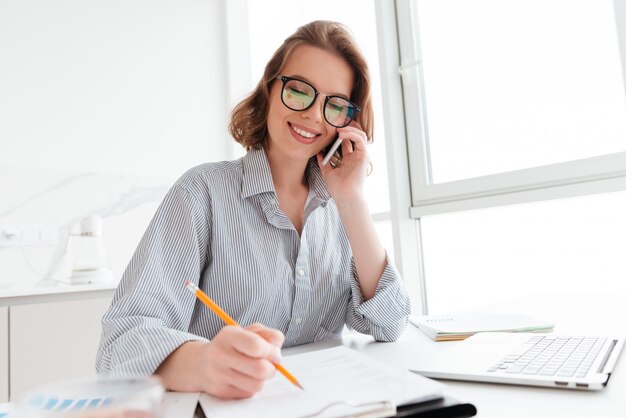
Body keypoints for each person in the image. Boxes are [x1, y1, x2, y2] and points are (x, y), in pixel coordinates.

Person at [96, 20, 410, 400]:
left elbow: (391, 323)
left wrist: (352, 200)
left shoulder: (341, 207)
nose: (313, 115)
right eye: (299, 91)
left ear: (348, 122)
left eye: (335, 105)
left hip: (324, 404)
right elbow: (119, 345)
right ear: (270, 89)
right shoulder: (202, 193)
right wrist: (203, 362)